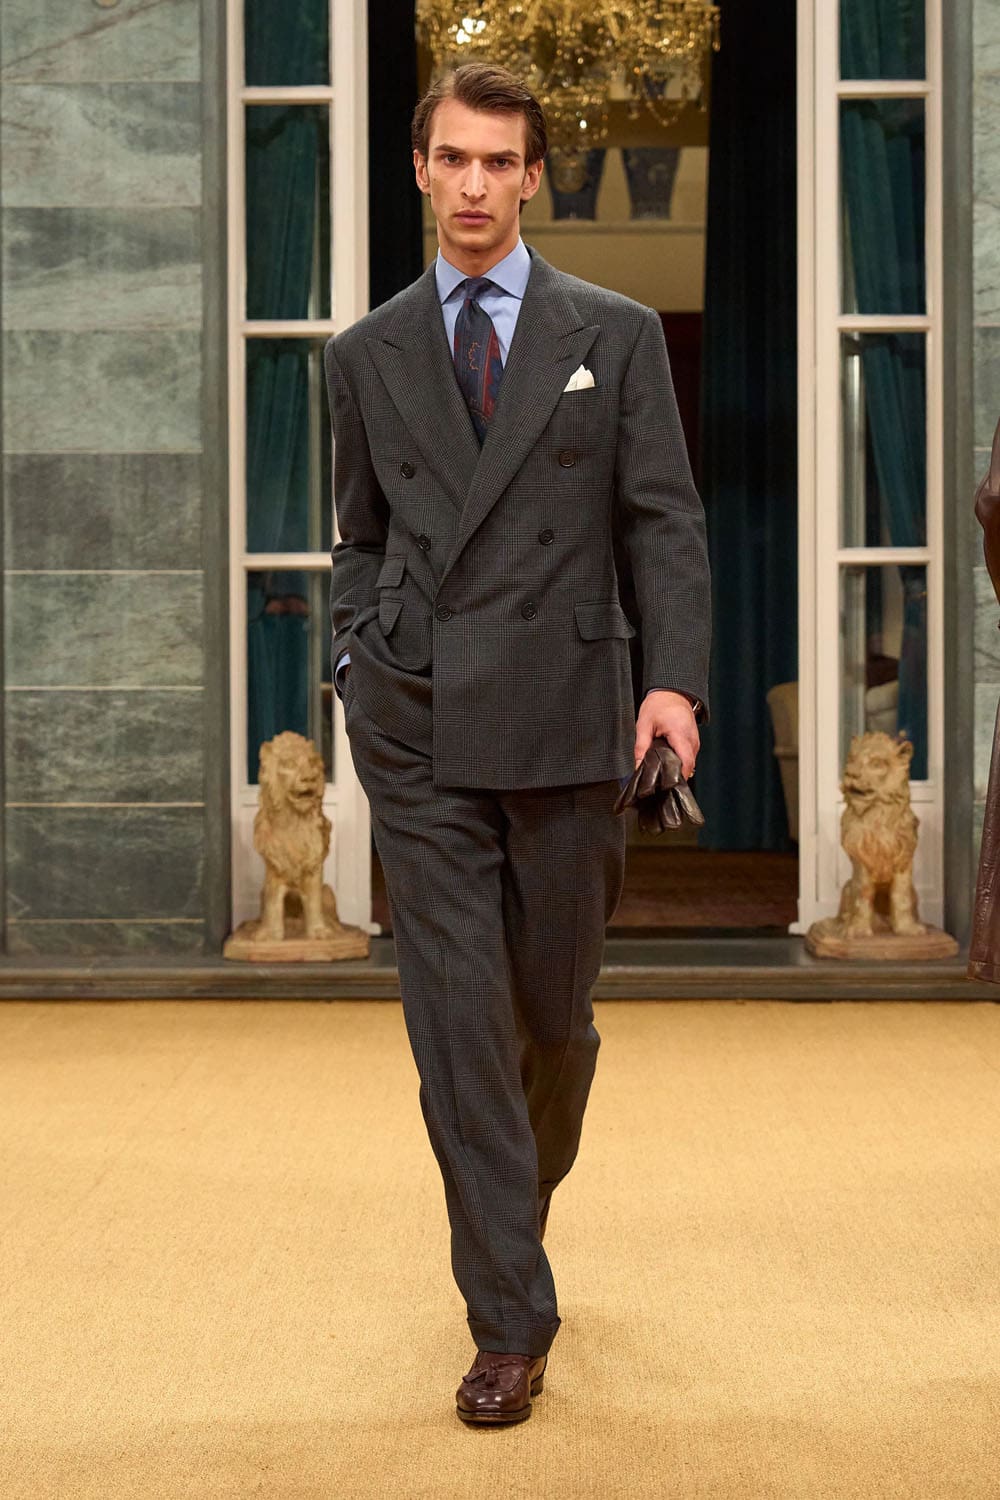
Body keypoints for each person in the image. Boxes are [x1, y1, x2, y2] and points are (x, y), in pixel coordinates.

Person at [324, 60, 711, 1425]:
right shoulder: (364, 354)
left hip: (568, 719)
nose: (476, 184)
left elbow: (662, 521)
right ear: (421, 170)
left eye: (501, 161)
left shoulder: (614, 331)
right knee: (459, 1027)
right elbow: (359, 534)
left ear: (535, 177)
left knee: (553, 1022)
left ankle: (510, 1206)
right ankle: (507, 1318)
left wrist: (674, 686)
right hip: (419, 722)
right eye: (455, 159)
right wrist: (354, 654)